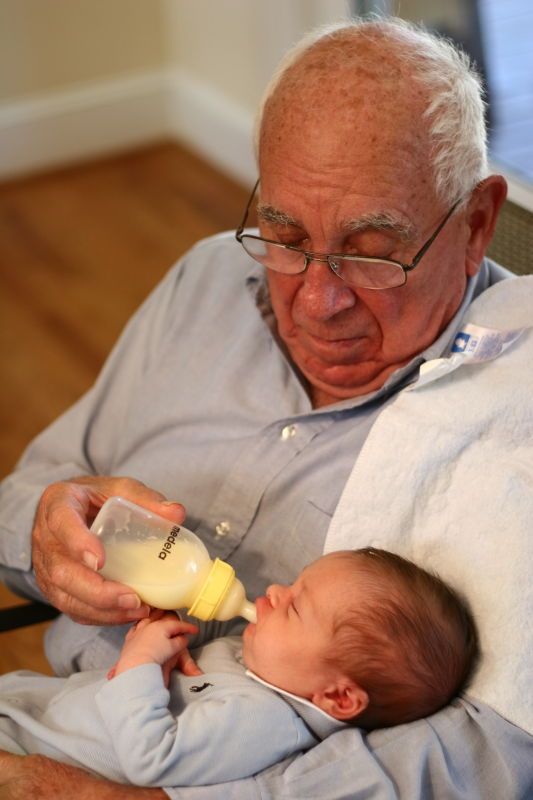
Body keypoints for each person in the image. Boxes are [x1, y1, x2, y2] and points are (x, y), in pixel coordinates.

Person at [0, 15, 532, 800]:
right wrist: (49, 533)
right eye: (283, 236)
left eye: (370, 254)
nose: (316, 301)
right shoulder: (210, 280)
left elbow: (490, 754)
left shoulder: (509, 408)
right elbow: (31, 497)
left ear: (475, 223)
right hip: (50, 713)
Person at [0, 549, 479, 786]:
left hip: (36, 751)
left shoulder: (265, 720)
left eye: (295, 606)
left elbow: (151, 758)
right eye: (293, 583)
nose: (274, 592)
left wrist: (139, 662)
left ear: (336, 696)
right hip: (40, 710)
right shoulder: (263, 664)